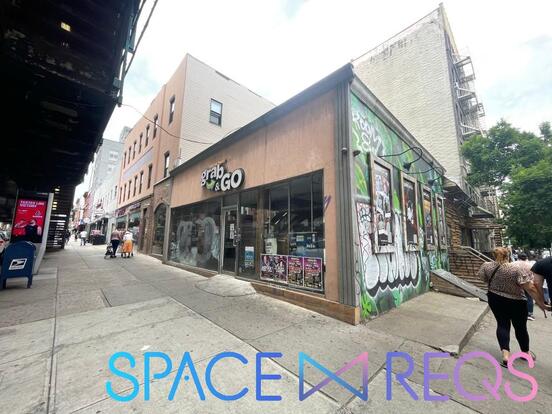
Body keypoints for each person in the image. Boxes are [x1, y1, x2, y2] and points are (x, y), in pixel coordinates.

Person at [478, 247, 548, 367]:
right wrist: (541, 303)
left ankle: (506, 356)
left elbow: (483, 278)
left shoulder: (486, 266)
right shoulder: (516, 269)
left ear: (493, 255)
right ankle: (525, 353)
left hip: (495, 298)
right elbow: (530, 288)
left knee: (502, 324)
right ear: (508, 255)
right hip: (516, 302)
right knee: (520, 328)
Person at [514, 253, 537, 320]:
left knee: (517, 297)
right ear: (526, 258)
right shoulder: (530, 265)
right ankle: (529, 314)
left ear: (518, 258)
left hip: (517, 283)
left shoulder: (514, 264)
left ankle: (518, 312)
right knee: (529, 298)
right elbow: (533, 275)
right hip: (528, 283)